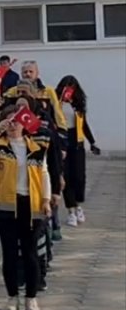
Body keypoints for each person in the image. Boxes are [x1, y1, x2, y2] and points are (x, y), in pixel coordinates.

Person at [0, 100, 52, 310]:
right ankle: (12, 297)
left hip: (30, 205)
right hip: (6, 205)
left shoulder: (36, 148)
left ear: (24, 123)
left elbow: (44, 174)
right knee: (10, 254)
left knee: (30, 254)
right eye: (8, 120)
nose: (12, 124)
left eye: (16, 120)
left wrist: (47, 199)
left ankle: (31, 299)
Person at [55, 75, 98, 227]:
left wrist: (92, 142)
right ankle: (71, 211)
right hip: (62, 140)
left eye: (71, 87)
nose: (69, 91)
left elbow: (84, 124)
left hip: (77, 142)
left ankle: (78, 205)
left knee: (79, 177)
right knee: (66, 177)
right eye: (66, 87)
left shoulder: (78, 105)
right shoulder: (56, 103)